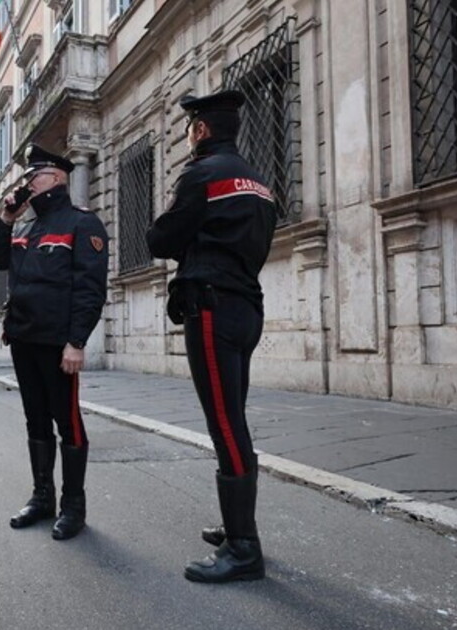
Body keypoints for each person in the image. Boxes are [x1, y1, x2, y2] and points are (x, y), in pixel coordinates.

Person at [146, 89, 279, 583]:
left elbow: (162, 239)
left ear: (200, 130)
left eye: (189, 129)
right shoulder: (260, 182)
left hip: (211, 307)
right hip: (246, 306)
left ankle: (244, 548)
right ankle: (237, 526)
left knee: (225, 424)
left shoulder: (201, 175)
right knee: (234, 418)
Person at [0, 144, 109, 540]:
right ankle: (43, 498)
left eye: (32, 177)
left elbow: (90, 289)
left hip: (58, 345)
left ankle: (74, 506)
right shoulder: (24, 228)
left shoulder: (81, 223)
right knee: (35, 420)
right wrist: (6, 217)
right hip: (24, 338)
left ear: (55, 179)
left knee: (66, 421)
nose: (26, 184)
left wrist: (76, 341)